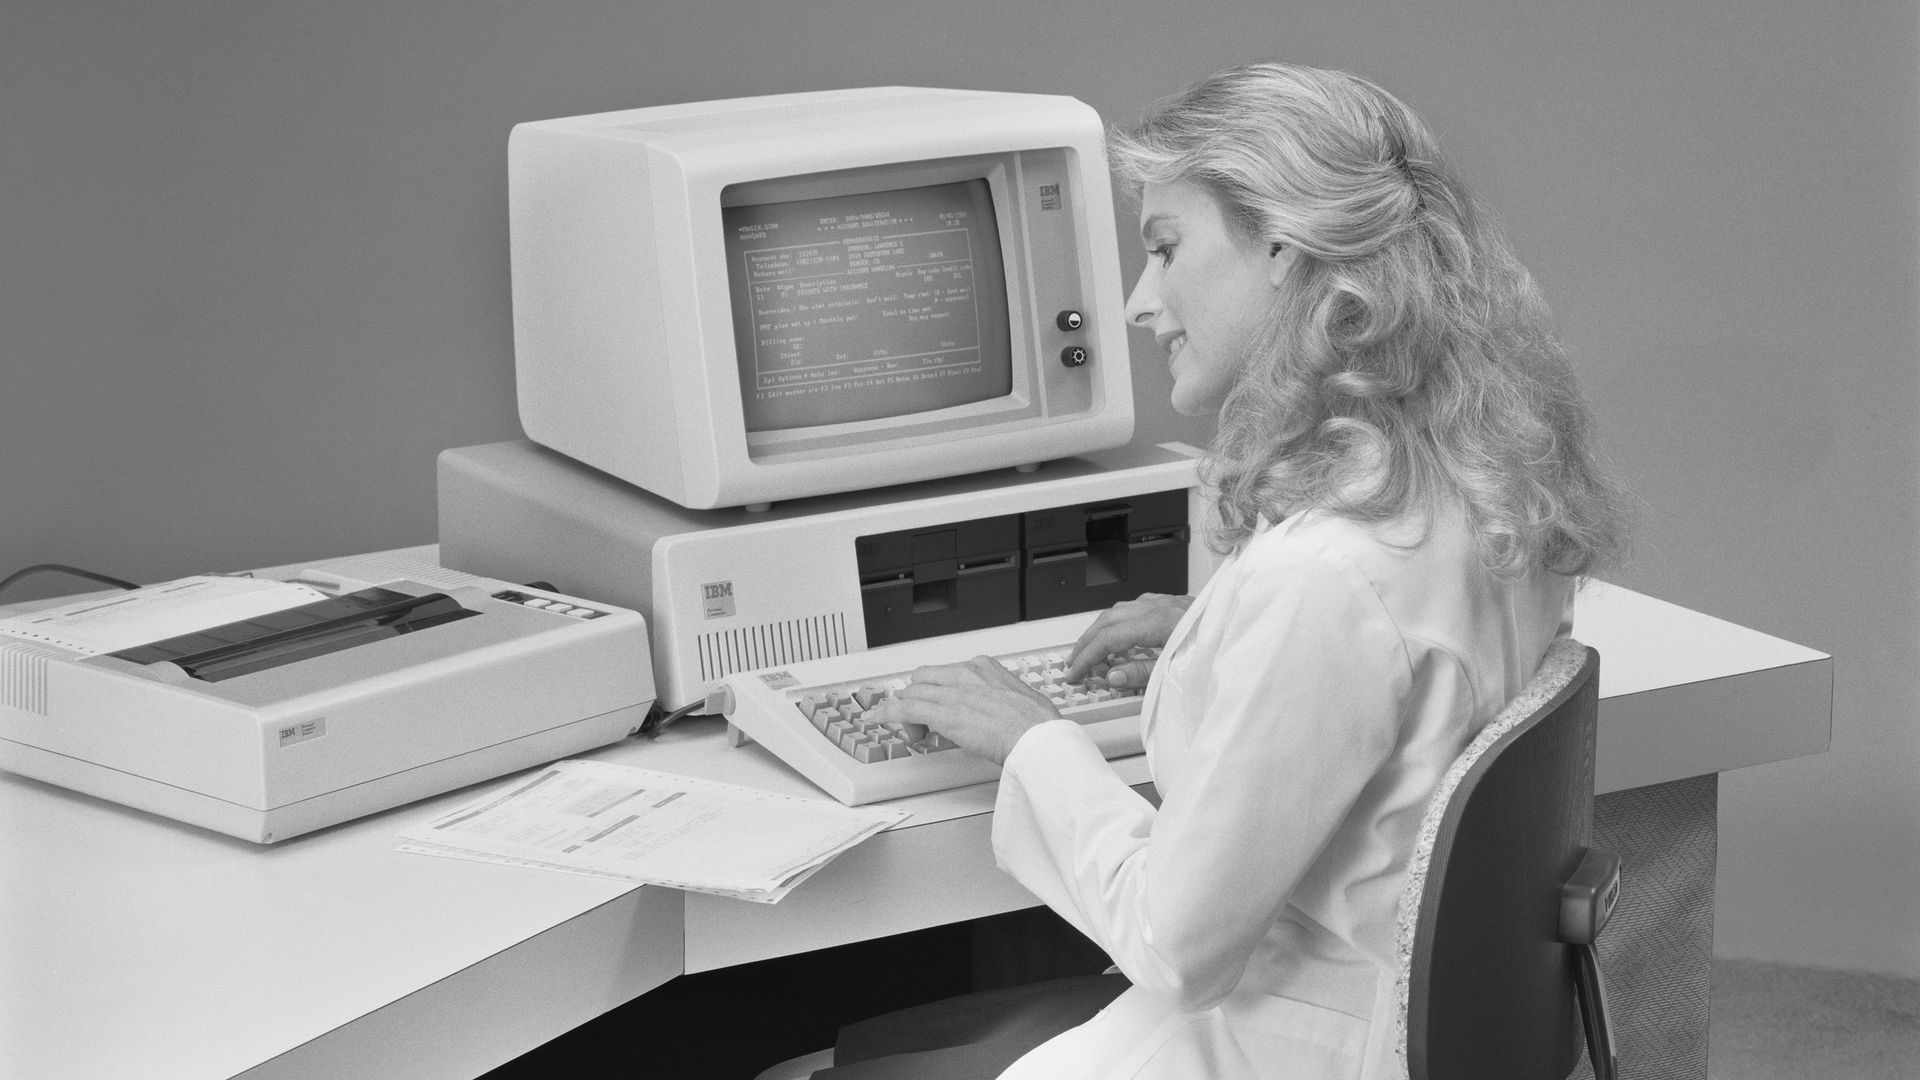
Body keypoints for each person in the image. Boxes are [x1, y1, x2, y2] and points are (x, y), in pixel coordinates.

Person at [821, 61, 1629, 1080]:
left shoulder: (1322, 583)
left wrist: (1033, 741)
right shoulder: (1483, 485)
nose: (1134, 303)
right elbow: (1390, 697)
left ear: (1286, 249)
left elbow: (1175, 944)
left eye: (1165, 249)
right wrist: (1209, 632)